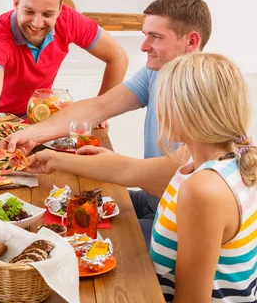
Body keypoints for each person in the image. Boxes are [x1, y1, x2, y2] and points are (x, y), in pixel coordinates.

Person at [26, 53, 257, 302]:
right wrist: (54, 158)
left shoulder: (204, 190)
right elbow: (126, 169)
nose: (159, 111)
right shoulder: (215, 158)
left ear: (191, 111)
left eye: (164, 101)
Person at [2, 0, 212, 241]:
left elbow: (173, 173)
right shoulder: (155, 74)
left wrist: (58, 160)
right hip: (152, 201)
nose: (144, 47)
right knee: (55, 214)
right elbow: (99, 106)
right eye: (146, 35)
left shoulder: (205, 92)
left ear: (191, 41)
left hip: (177, 222)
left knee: (71, 241)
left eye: (156, 37)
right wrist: (31, 133)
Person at [0, 0, 128, 137]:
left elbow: (118, 57)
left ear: (60, 9)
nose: (37, 23)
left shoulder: (69, 19)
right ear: (16, 4)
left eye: (47, 14)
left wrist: (100, 111)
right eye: (29, 11)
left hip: (31, 118)